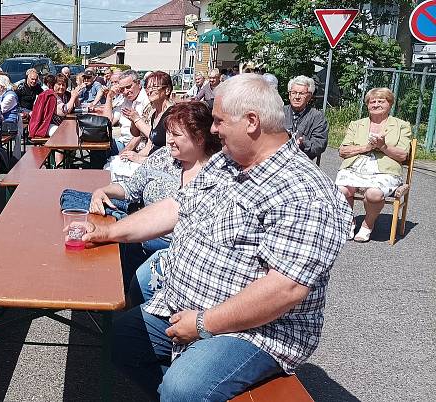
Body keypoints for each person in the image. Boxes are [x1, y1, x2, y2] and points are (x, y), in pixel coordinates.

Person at [82, 73, 352, 401]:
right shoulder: (227, 161)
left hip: (255, 331)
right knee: (122, 339)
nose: (213, 129)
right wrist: (109, 231)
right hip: (184, 304)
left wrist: (203, 323)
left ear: (252, 121)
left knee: (183, 388)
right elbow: (176, 207)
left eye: (220, 120)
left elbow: (285, 288)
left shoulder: (304, 191)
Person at [88, 101, 220, 297]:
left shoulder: (217, 172)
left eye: (176, 135)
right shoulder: (163, 158)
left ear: (200, 137)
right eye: (168, 133)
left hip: (179, 246)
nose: (169, 141)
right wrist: (103, 191)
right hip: (142, 234)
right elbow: (130, 188)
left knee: (130, 263)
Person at [335, 87, 411, 242]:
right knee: (340, 189)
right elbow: (343, 151)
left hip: (385, 170)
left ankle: (368, 224)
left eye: (381, 101)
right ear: (367, 105)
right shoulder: (356, 124)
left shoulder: (401, 126)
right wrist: (366, 148)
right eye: (372, 101)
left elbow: (403, 155)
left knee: (373, 194)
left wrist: (383, 146)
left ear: (389, 104)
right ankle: (348, 221)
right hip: (356, 166)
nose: (376, 104)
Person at [117, 71, 173, 164]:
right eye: (147, 87)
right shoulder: (154, 113)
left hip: (162, 167)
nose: (149, 91)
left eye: (154, 87)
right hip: (150, 160)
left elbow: (170, 155)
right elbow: (149, 146)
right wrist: (131, 156)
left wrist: (139, 159)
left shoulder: (172, 115)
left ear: (167, 90)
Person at [284, 75, 329, 161]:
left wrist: (303, 144)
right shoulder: (279, 112)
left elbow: (320, 144)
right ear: (289, 95)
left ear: (309, 97)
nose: (297, 97)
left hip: (302, 161)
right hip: (278, 158)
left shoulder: (317, 117)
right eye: (293, 92)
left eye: (301, 94)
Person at [109, 70, 150, 154]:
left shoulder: (147, 101)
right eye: (122, 89)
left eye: (128, 87)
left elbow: (142, 135)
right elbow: (109, 121)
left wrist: (124, 152)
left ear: (138, 83)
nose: (125, 92)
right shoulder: (124, 99)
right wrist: (109, 97)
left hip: (138, 147)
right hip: (122, 142)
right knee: (97, 146)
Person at [0, 74, 22, 156]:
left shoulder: (10, 96)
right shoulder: (3, 94)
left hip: (9, 125)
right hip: (5, 124)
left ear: (1, 86)